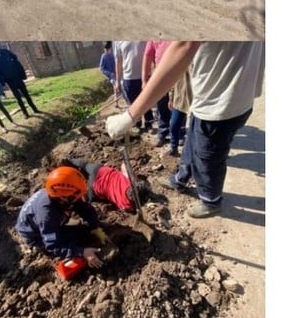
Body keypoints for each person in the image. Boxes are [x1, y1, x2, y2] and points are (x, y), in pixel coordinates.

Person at [106, 42, 265, 219]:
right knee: (192, 142)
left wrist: (130, 116)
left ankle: (211, 200)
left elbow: (183, 47)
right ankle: (180, 179)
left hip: (221, 102)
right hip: (215, 94)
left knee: (208, 157)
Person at [14, 167, 103, 271]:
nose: (78, 198)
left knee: (84, 229)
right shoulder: (47, 215)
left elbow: (83, 208)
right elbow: (53, 246)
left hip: (47, 219)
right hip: (36, 235)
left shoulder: (62, 194)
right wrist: (82, 252)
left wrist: (95, 226)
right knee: (76, 238)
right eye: (76, 196)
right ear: (63, 198)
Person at [59, 158, 151, 213]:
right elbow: (126, 209)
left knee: (85, 165)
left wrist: (132, 174)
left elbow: (124, 165)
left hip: (101, 170)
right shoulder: (126, 205)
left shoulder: (130, 180)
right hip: (95, 186)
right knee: (88, 199)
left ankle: (69, 160)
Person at [0, 42, 40, 118]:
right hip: (9, 80)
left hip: (17, 76)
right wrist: (2, 83)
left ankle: (34, 109)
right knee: (18, 97)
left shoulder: (5, 51)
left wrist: (15, 67)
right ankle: (25, 113)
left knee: (26, 94)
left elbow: (15, 58)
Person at [113, 41, 154, 132]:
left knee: (146, 100)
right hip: (128, 77)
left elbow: (152, 52)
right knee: (133, 103)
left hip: (144, 75)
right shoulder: (118, 41)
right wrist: (117, 81)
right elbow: (118, 61)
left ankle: (148, 123)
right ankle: (137, 123)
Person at [142, 40, 173, 147]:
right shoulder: (154, 39)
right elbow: (147, 57)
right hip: (161, 78)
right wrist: (144, 80)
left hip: (178, 76)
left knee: (178, 107)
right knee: (162, 107)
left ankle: (179, 133)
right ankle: (163, 132)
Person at [167, 67, 193, 157]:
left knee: (191, 130)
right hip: (179, 100)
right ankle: (174, 148)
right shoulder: (180, 63)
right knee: (173, 124)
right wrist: (171, 98)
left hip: (193, 102)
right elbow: (173, 82)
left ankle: (191, 154)